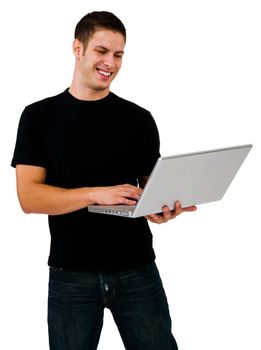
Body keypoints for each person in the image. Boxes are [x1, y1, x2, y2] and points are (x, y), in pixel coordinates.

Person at [11, 11, 196, 350]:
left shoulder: (139, 119)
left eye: (119, 54)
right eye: (102, 51)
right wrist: (97, 194)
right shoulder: (38, 117)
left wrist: (162, 208)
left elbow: (149, 189)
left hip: (137, 268)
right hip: (71, 274)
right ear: (77, 48)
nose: (110, 62)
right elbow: (29, 198)